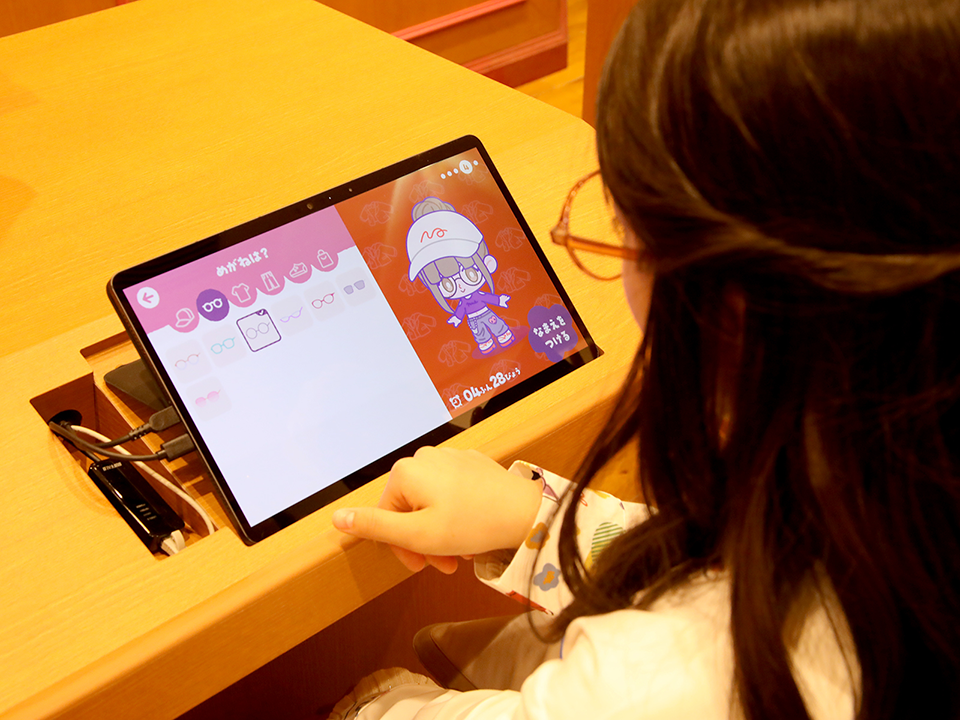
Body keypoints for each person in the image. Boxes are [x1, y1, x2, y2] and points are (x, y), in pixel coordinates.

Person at [330, 0, 960, 717]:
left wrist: (370, 696)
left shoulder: (665, 679)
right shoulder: (891, 491)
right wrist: (536, 519)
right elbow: (722, 567)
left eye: (620, 226)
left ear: (727, 307)